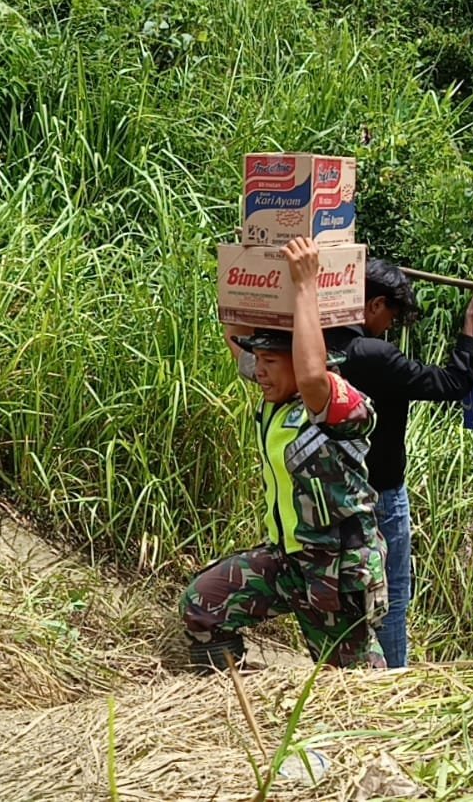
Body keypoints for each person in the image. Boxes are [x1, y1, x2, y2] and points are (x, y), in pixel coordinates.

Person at [181, 237, 389, 671]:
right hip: (287, 559)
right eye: (257, 360)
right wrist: (248, 264)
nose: (258, 371)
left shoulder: (340, 404)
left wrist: (306, 284)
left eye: (271, 362)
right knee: (203, 604)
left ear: (299, 358)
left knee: (351, 685)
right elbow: (236, 334)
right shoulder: (275, 397)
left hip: (335, 571)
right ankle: (237, 699)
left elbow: (312, 376)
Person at [324, 260, 473, 668]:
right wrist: (472, 319)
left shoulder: (312, 346)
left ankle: (345, 673)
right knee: (390, 593)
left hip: (328, 493)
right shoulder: (373, 354)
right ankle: (393, 681)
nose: (390, 325)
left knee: (340, 591)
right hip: (379, 494)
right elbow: (450, 383)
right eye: (391, 314)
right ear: (374, 305)